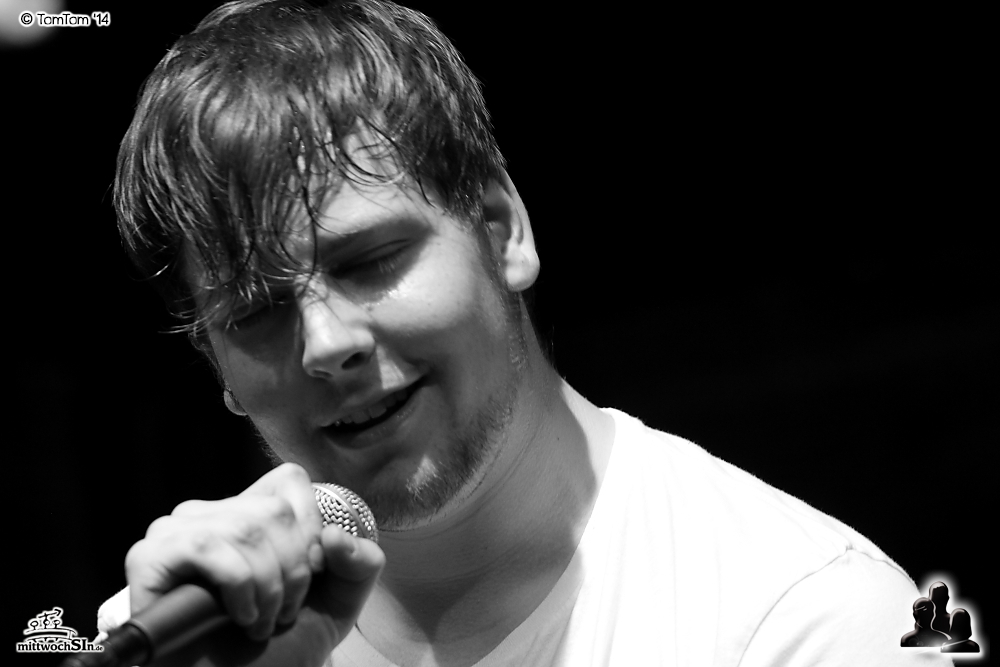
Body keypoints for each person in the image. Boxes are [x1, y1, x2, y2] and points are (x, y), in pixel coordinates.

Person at [96, 1, 957, 665]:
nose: (324, 343)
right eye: (254, 311)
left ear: (503, 229)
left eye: (370, 260)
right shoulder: (175, 634)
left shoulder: (809, 622)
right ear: (215, 361)